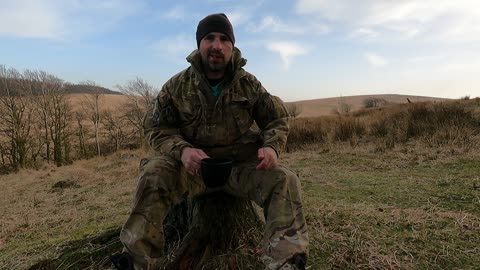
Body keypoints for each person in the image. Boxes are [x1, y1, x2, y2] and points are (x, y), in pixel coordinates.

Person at [117, 13, 309, 270]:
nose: (216, 45)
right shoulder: (177, 86)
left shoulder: (249, 84)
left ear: (232, 46)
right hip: (193, 170)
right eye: (209, 38)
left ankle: (286, 261)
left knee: (284, 180)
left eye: (223, 39)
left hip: (240, 168)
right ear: (199, 44)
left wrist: (272, 146)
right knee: (152, 174)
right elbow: (155, 126)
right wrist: (182, 150)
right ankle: (137, 261)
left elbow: (277, 118)